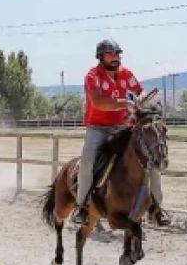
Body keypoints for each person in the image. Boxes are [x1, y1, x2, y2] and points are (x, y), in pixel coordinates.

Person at [72, 39, 170, 227]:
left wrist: (142, 98)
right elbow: (98, 102)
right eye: (111, 54)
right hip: (98, 128)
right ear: (101, 57)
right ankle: (82, 206)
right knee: (87, 161)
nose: (115, 58)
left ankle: (157, 208)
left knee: (150, 156)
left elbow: (140, 91)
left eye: (117, 54)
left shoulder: (126, 74)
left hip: (123, 126)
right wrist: (124, 103)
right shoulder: (93, 76)